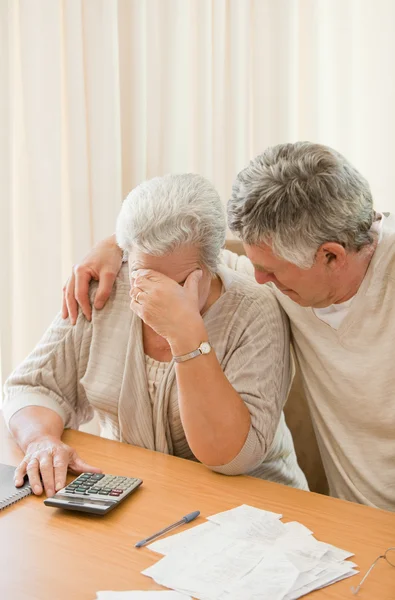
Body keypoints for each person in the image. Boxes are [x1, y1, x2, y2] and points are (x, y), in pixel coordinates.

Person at [60, 143, 395, 512]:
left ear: (331, 255)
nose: (259, 278)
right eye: (255, 263)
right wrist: (116, 246)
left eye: (271, 270)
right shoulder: (292, 271)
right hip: (359, 522)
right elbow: (193, 250)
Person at [4, 173, 308, 498]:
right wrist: (40, 440)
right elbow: (33, 386)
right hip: (139, 496)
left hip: (254, 504)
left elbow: (231, 457)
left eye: (178, 285)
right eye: (143, 276)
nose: (156, 298)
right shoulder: (107, 286)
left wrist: (186, 335)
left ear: (213, 261)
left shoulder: (255, 309)